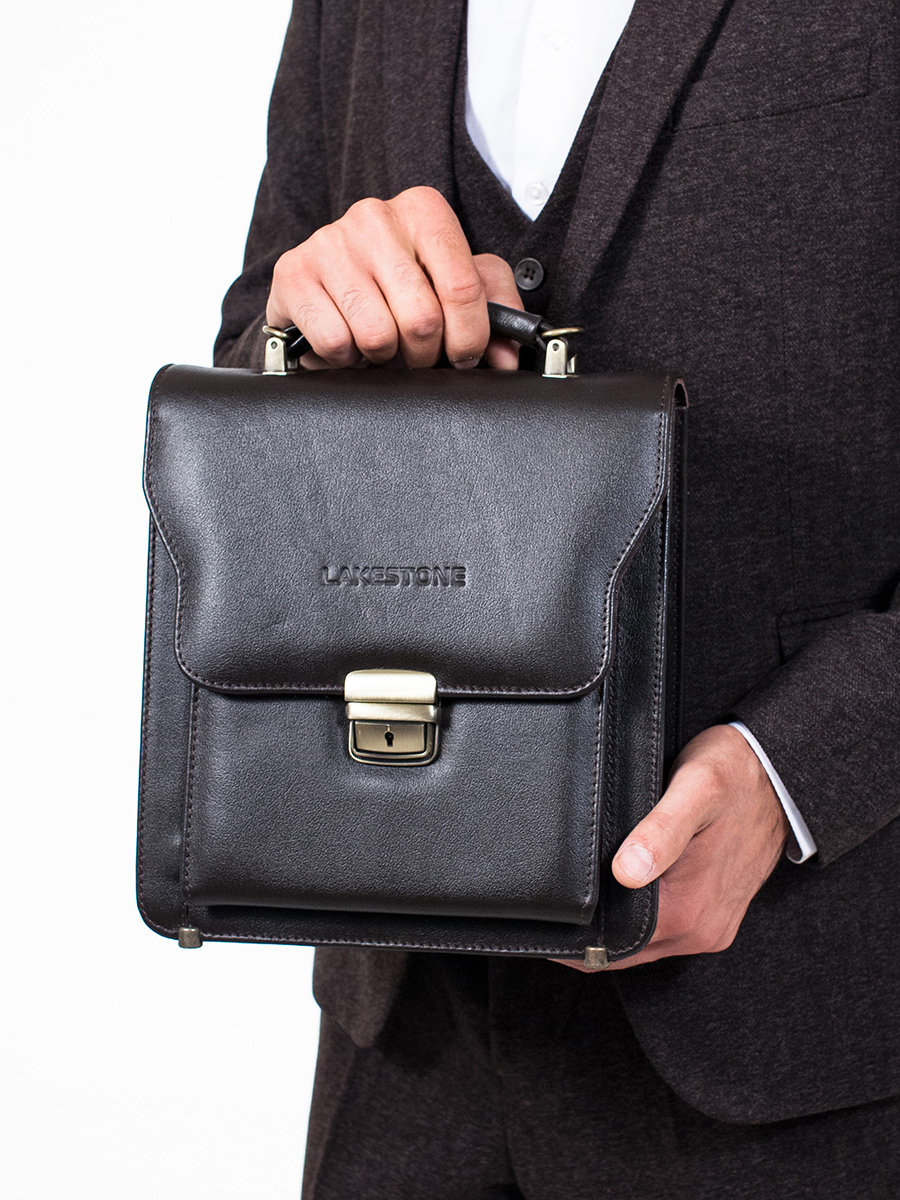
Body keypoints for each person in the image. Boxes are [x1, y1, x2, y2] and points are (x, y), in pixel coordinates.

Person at [214, 2, 900, 1196]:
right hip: (405, 1040)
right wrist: (307, 314)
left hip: (805, 1035)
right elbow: (246, 364)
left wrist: (797, 774)